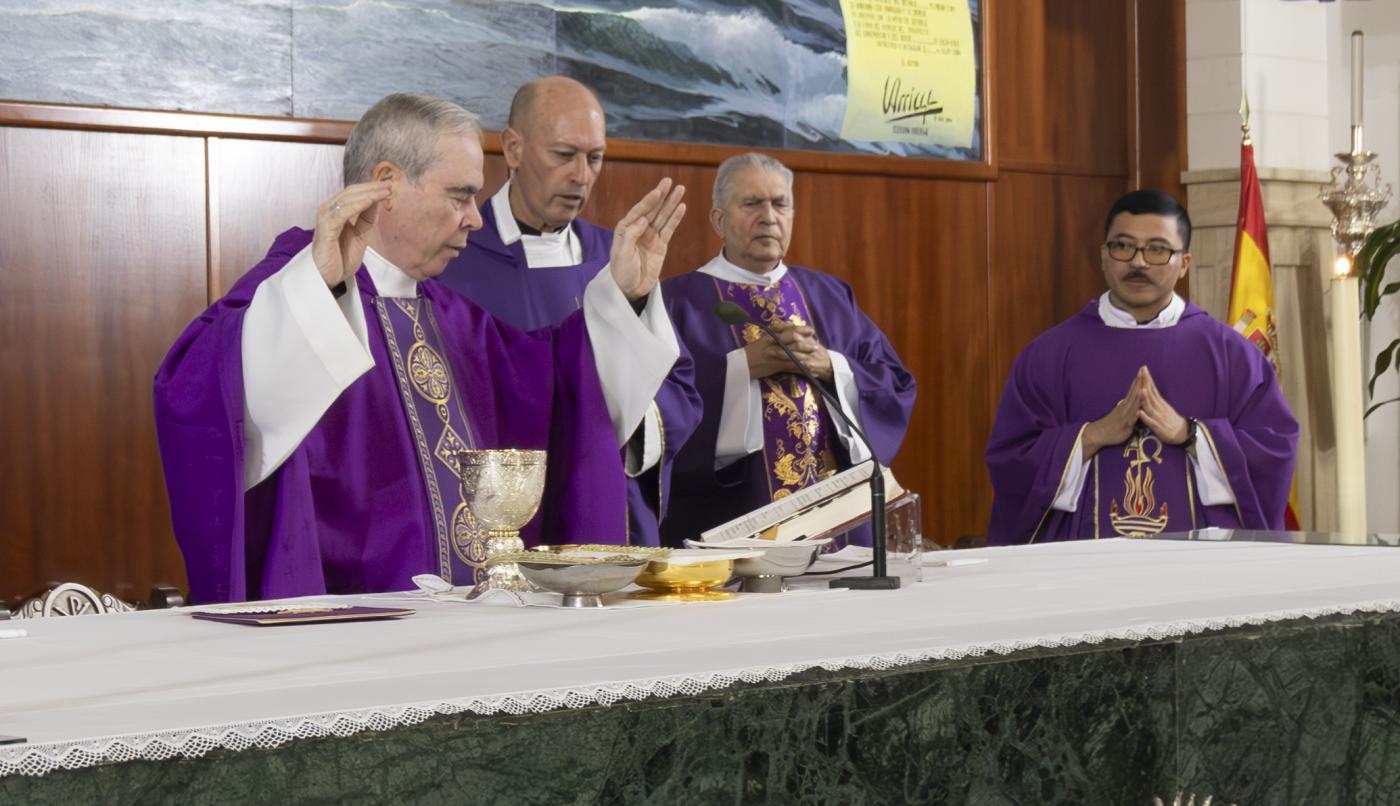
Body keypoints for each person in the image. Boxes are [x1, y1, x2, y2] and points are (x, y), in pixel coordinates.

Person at [154, 93, 687, 603]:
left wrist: (626, 298)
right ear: (387, 184)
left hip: (475, 625)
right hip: (348, 631)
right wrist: (317, 295)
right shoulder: (295, 295)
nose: (475, 218)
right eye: (460, 195)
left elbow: (559, 391)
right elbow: (199, 398)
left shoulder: (457, 321)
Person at [438, 77, 700, 546]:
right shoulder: (452, 258)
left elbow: (677, 388)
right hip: (497, 524)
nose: (582, 175)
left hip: (606, 512)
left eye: (594, 157)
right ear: (514, 149)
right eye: (564, 155)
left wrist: (614, 410)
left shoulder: (616, 258)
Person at [985, 189, 1298, 544]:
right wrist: (1092, 436)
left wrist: (1190, 434)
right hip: (1081, 571)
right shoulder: (1049, 356)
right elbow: (1011, 462)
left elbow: (1274, 452)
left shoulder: (1233, 357)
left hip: (1203, 569)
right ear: (1103, 256)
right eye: (1123, 246)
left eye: (1157, 249)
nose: (1138, 262)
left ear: (1185, 263)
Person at [659, 153, 916, 543]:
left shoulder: (829, 295)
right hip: (732, 519)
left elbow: (894, 385)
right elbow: (660, 408)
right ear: (718, 220)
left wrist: (831, 365)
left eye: (780, 203)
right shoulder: (677, 301)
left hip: (838, 523)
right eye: (751, 203)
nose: (768, 216)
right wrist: (740, 367)